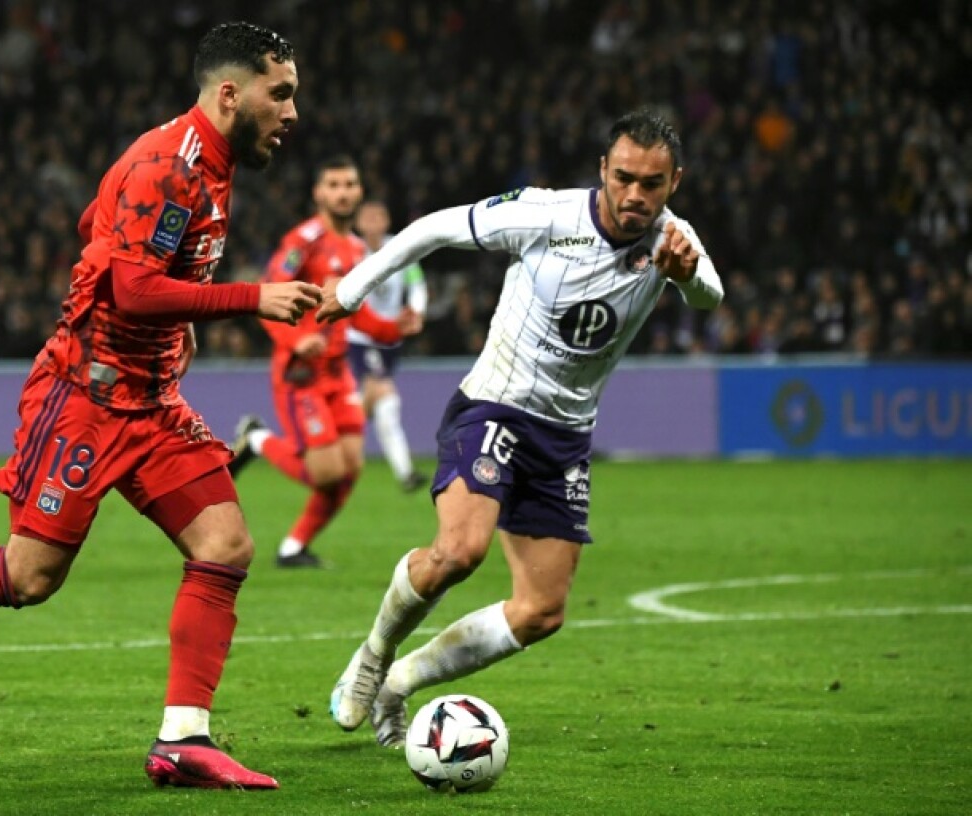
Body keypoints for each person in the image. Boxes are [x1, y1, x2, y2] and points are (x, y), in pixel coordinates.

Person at [0, 22, 319, 791]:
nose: (292, 113)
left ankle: (183, 739)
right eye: (281, 94)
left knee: (225, 543)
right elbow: (131, 286)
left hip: (150, 403)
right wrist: (253, 300)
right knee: (28, 577)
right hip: (85, 397)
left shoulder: (209, 162)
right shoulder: (168, 166)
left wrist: (169, 327)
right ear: (230, 93)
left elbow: (97, 232)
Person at [317, 109, 724, 748]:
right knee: (459, 553)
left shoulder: (673, 239)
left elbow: (711, 297)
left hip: (564, 438)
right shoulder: (546, 214)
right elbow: (433, 229)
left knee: (541, 612)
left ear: (675, 182)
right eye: (624, 179)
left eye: (652, 183)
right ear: (603, 172)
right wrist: (352, 290)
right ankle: (370, 658)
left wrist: (687, 272)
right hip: (495, 407)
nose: (635, 195)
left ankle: (401, 680)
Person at [228, 157, 414, 568]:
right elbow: (266, 295)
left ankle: (293, 548)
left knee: (349, 469)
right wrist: (298, 339)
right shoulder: (304, 240)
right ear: (318, 193)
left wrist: (393, 329)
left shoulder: (355, 248)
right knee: (327, 473)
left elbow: (354, 313)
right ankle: (257, 439)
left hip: (337, 372)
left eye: (349, 184)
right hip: (300, 375)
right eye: (333, 184)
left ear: (360, 191)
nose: (343, 192)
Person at [346, 200, 429, 493]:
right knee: (384, 394)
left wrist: (416, 312)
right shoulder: (351, 250)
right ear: (358, 222)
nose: (373, 222)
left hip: (391, 339)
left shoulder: (401, 247)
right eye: (367, 217)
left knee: (379, 406)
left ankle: (339, 444)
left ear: (386, 220)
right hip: (361, 338)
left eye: (378, 216)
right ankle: (404, 471)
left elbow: (416, 283)